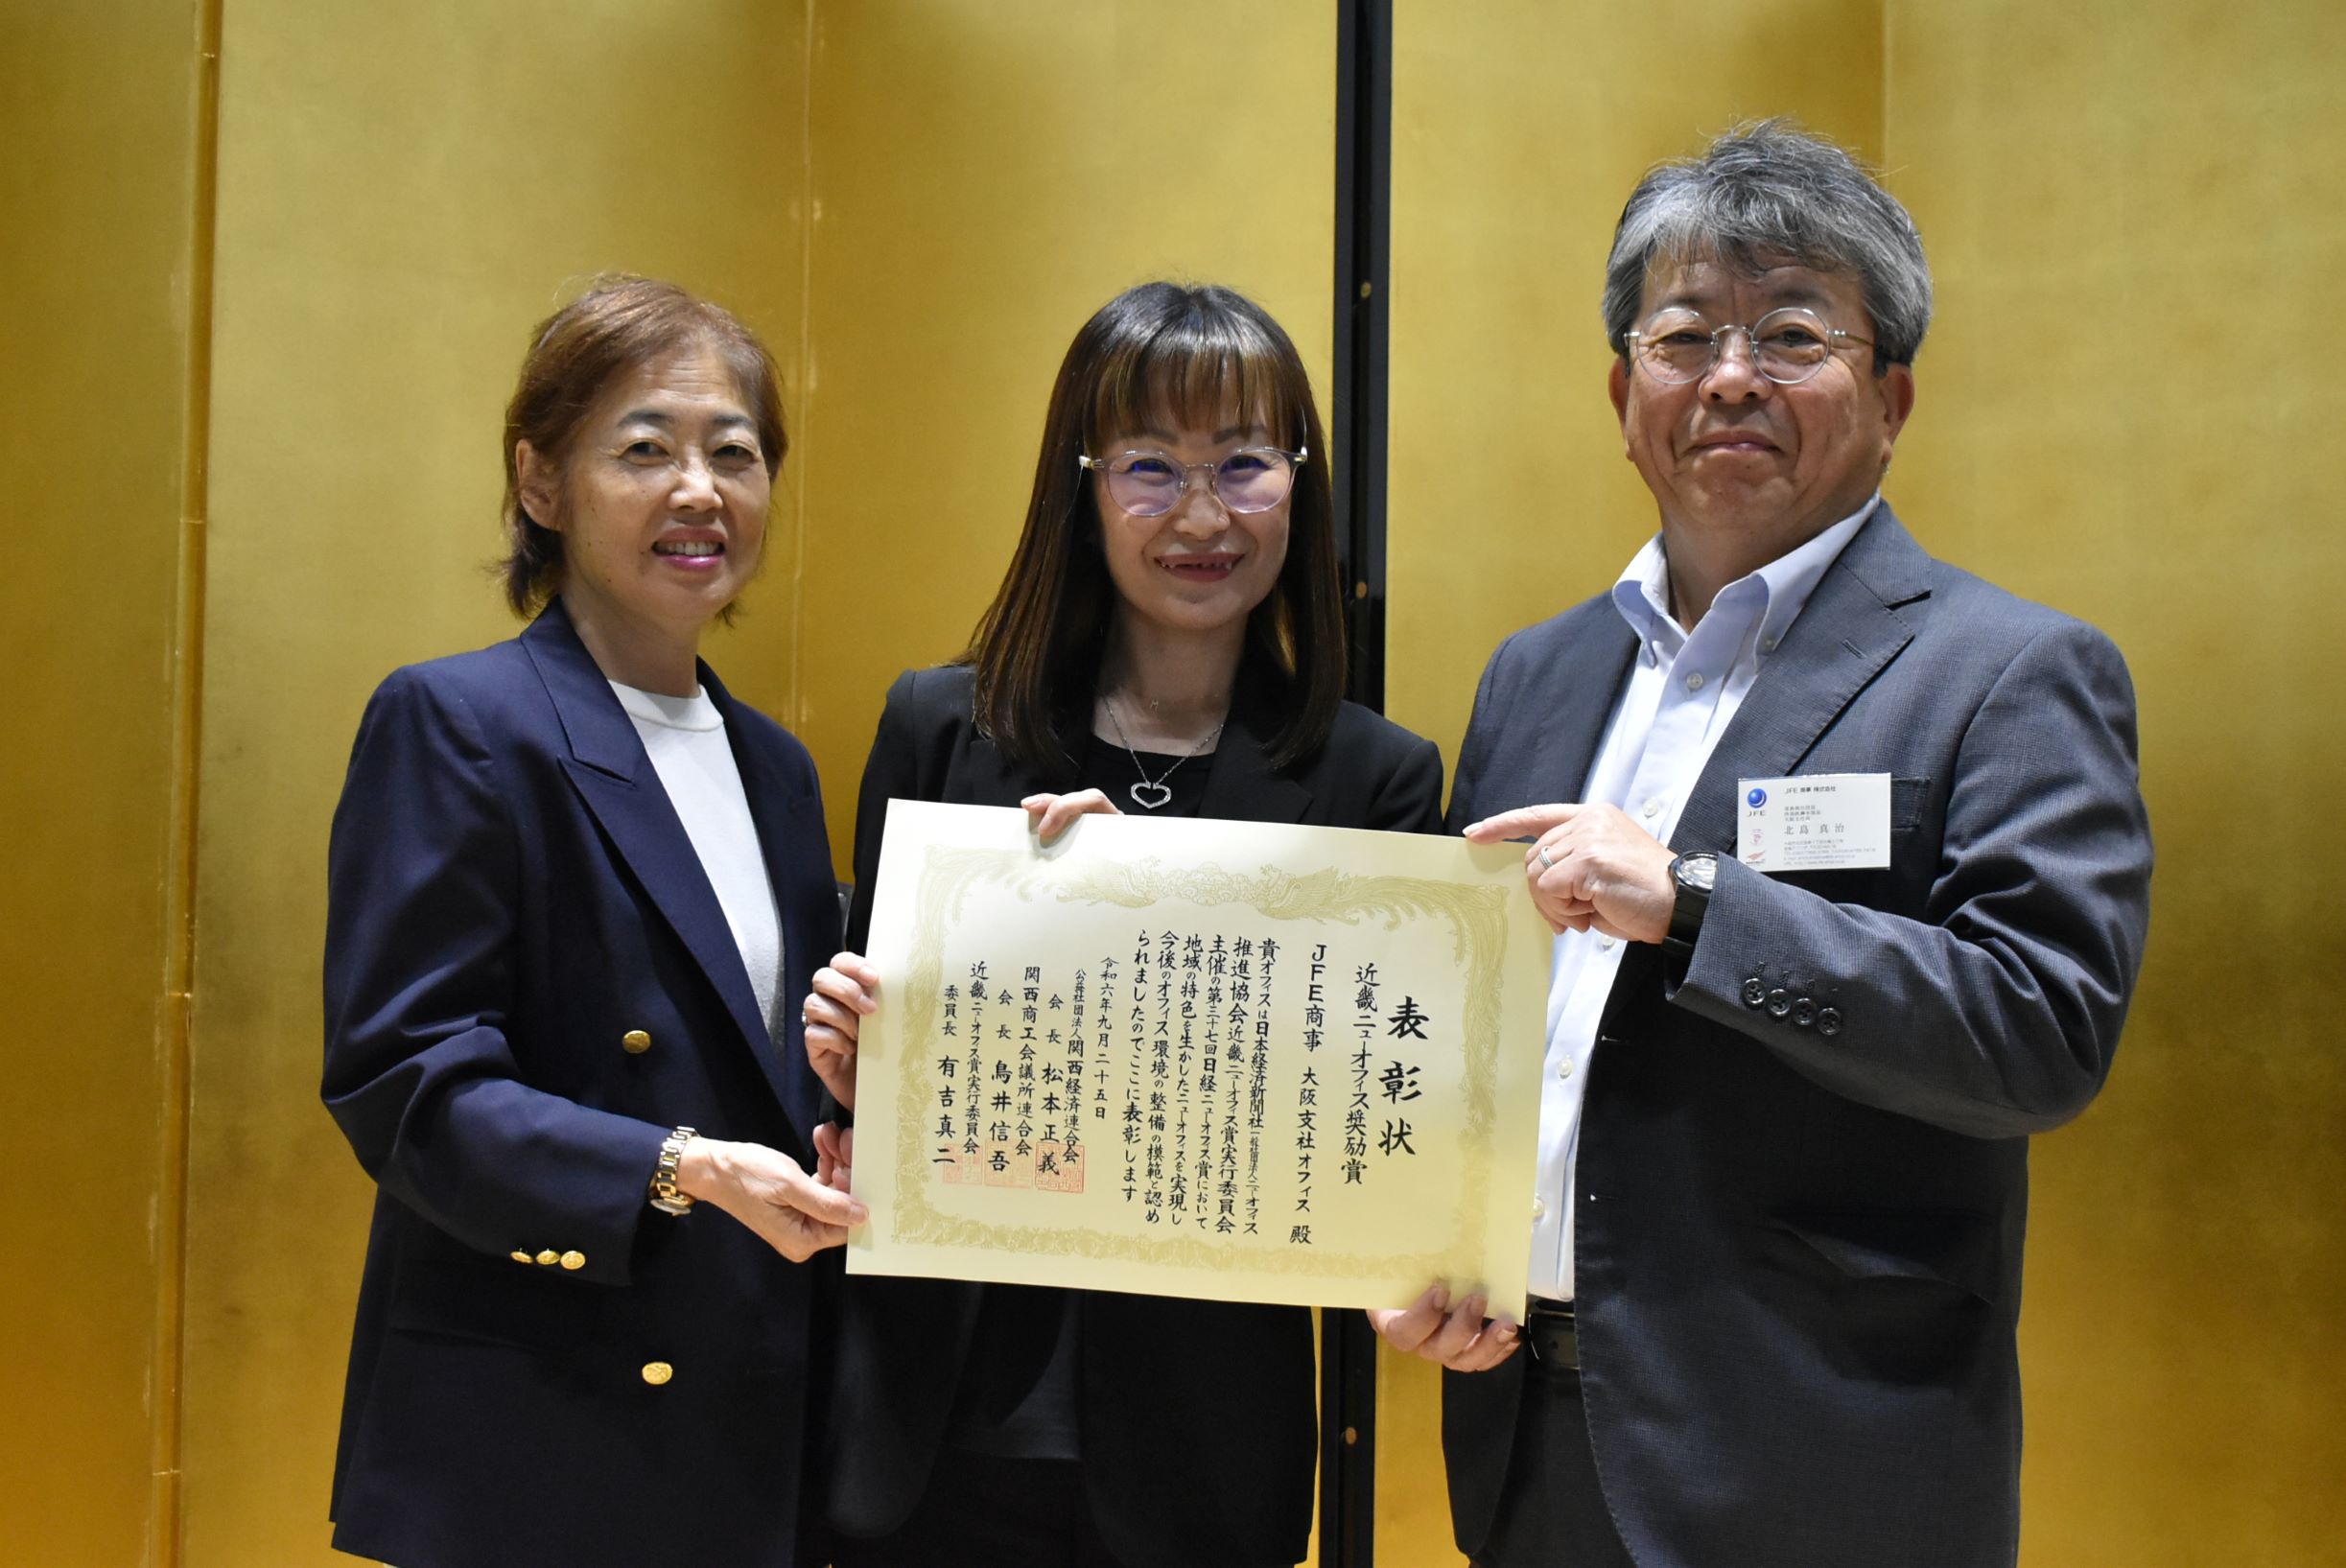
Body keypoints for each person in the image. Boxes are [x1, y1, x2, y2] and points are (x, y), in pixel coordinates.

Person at [1372, 123, 2154, 1568]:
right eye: (1684, 337)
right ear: (1623, 395)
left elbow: (2039, 1031)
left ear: (1891, 397)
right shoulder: (1534, 675)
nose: (1730, 377)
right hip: (1525, 1435)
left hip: (1823, 1454)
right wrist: (1421, 1240)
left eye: (1792, 335)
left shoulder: (2007, 671)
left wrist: (1693, 905)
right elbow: (1465, 1025)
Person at [800, 281, 1443, 1568]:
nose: (1201, 516)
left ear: (1299, 484)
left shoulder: (1373, 781)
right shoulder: (941, 730)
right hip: (934, 1431)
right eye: (1150, 467)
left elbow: (1381, 1128)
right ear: (1081, 487)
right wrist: (848, 1061)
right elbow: (866, 1083)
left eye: (1243, 464)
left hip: (1206, 1444)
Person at [320, 276, 861, 1568]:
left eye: (735, 453)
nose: (700, 491)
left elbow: (770, 1068)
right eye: (645, 449)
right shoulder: (460, 723)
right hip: (540, 1428)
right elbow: (409, 1087)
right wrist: (684, 1167)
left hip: (744, 1411)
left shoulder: (776, 766)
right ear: (540, 483)